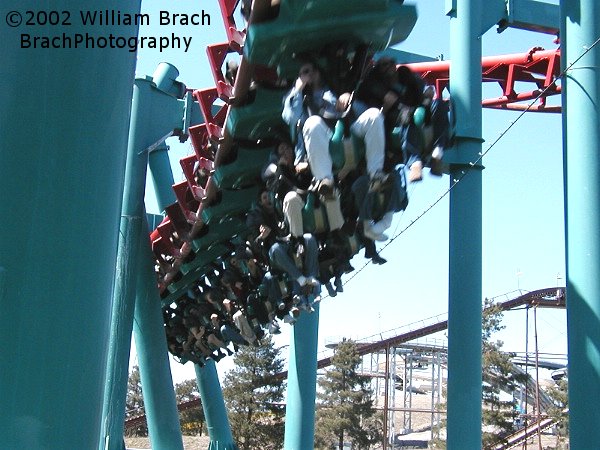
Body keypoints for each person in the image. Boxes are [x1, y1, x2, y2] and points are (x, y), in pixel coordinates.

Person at [282, 58, 389, 196]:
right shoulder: (297, 98)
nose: (311, 74)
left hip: (349, 132)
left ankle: (376, 175)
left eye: (313, 70)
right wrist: (298, 89)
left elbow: (361, 110)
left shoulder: (333, 90)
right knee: (312, 123)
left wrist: (348, 99)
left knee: (374, 115)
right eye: (306, 72)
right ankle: (325, 182)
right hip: (326, 141)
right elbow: (291, 117)